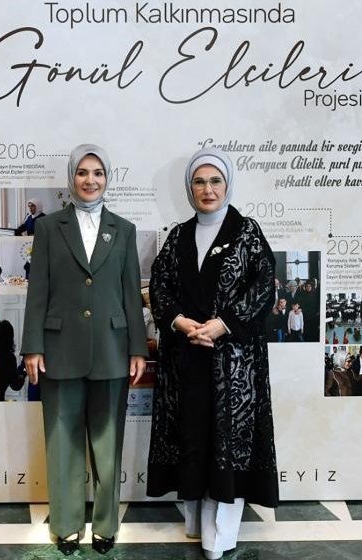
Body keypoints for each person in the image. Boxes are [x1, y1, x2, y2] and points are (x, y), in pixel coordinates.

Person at [147, 149, 278, 560]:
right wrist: (180, 322)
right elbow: (160, 284)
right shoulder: (179, 235)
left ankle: (218, 537)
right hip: (187, 360)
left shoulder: (247, 232)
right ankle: (194, 523)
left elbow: (264, 286)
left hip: (232, 364)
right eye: (199, 182)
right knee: (193, 439)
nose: (208, 189)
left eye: (215, 181)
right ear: (190, 188)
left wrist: (224, 324)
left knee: (226, 444)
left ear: (227, 185)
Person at [21, 144, 147, 555]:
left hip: (112, 349)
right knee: (62, 441)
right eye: (82, 172)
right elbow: (38, 291)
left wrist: (137, 348)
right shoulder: (48, 227)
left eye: (98, 173)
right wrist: (32, 346)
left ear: (107, 178)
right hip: (58, 349)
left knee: (108, 446)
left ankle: (106, 525)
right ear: (71, 177)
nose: (90, 180)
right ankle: (66, 524)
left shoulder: (124, 230)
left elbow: (131, 294)